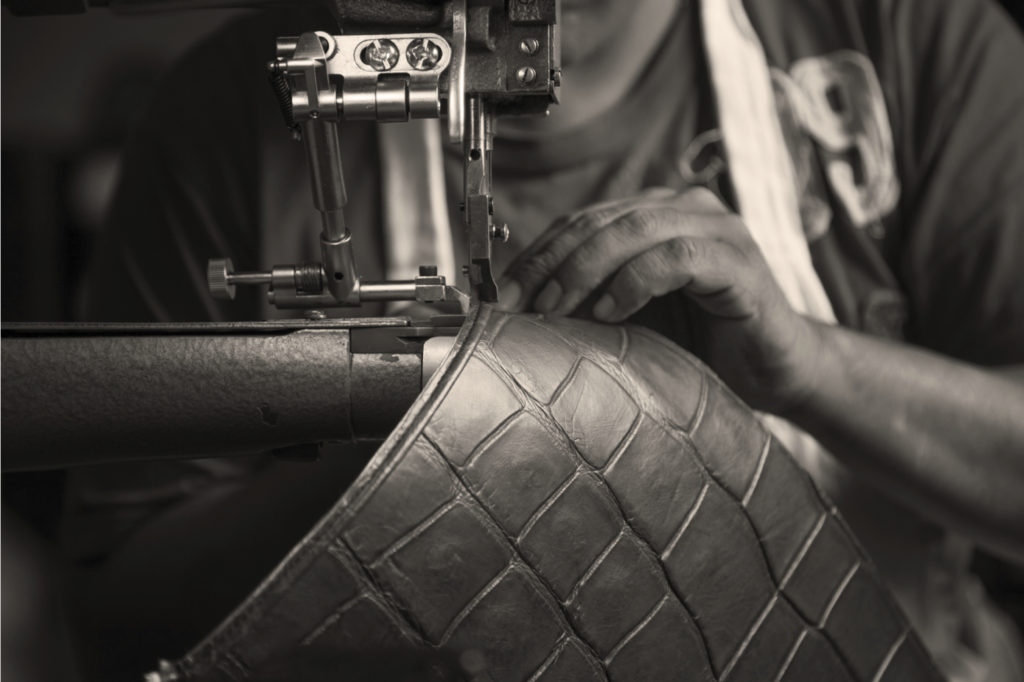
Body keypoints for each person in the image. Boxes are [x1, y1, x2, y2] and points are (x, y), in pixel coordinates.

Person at [66, 0, 1024, 680]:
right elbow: (120, 617)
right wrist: (412, 454)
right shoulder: (238, 115)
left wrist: (814, 368)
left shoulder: (905, 39)